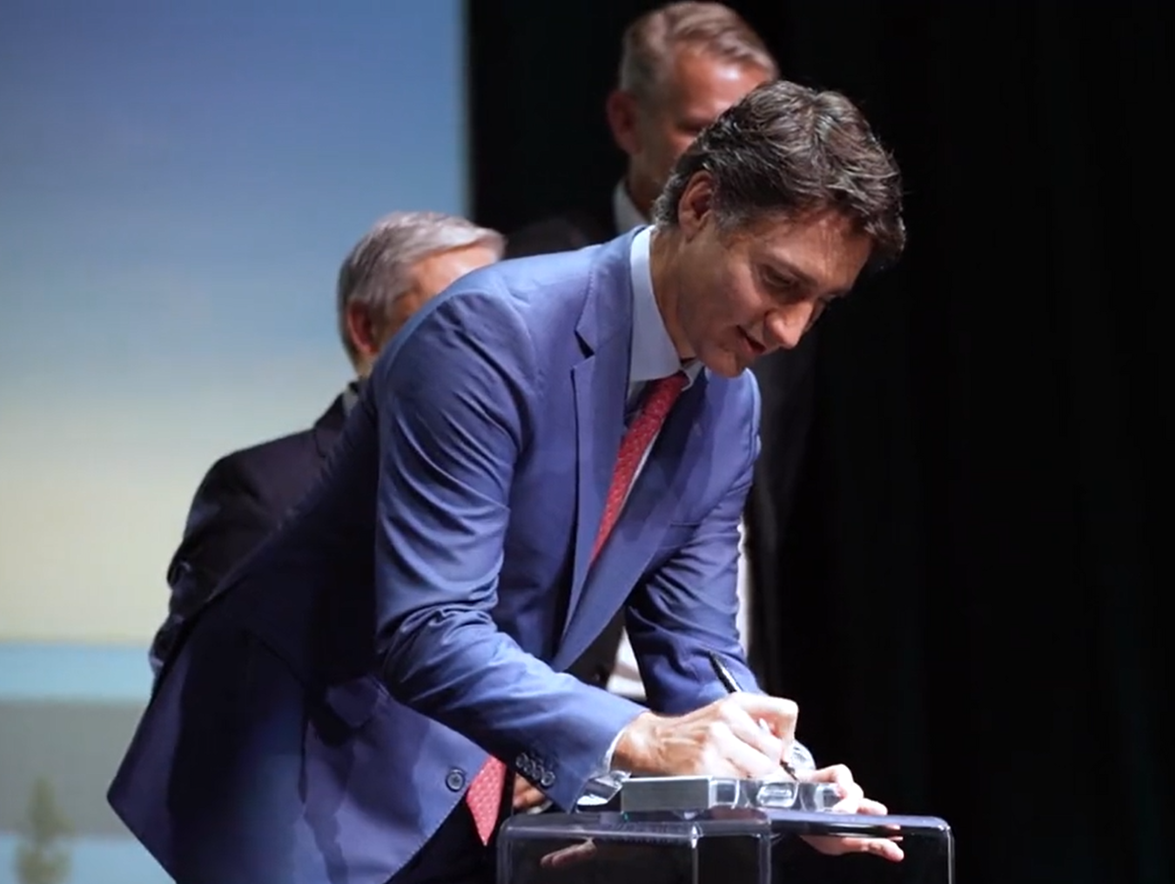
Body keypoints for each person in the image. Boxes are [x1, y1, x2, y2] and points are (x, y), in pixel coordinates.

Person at [108, 79, 907, 884]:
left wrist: (783, 780)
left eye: (820, 303)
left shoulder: (728, 403)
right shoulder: (488, 332)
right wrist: (641, 739)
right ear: (699, 205)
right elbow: (429, 628)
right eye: (777, 282)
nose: (790, 330)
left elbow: (695, 648)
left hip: (466, 782)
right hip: (299, 762)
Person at [506, 1, 812, 704]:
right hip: (549, 699)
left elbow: (750, 510)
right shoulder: (528, 287)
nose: (742, 169)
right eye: (701, 131)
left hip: (702, 689)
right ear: (624, 120)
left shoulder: (780, 313)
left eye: (754, 136)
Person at [147, 211, 503, 676]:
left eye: (501, 324)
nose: (487, 348)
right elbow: (198, 684)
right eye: (454, 320)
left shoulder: (524, 478)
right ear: (366, 329)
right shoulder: (265, 490)